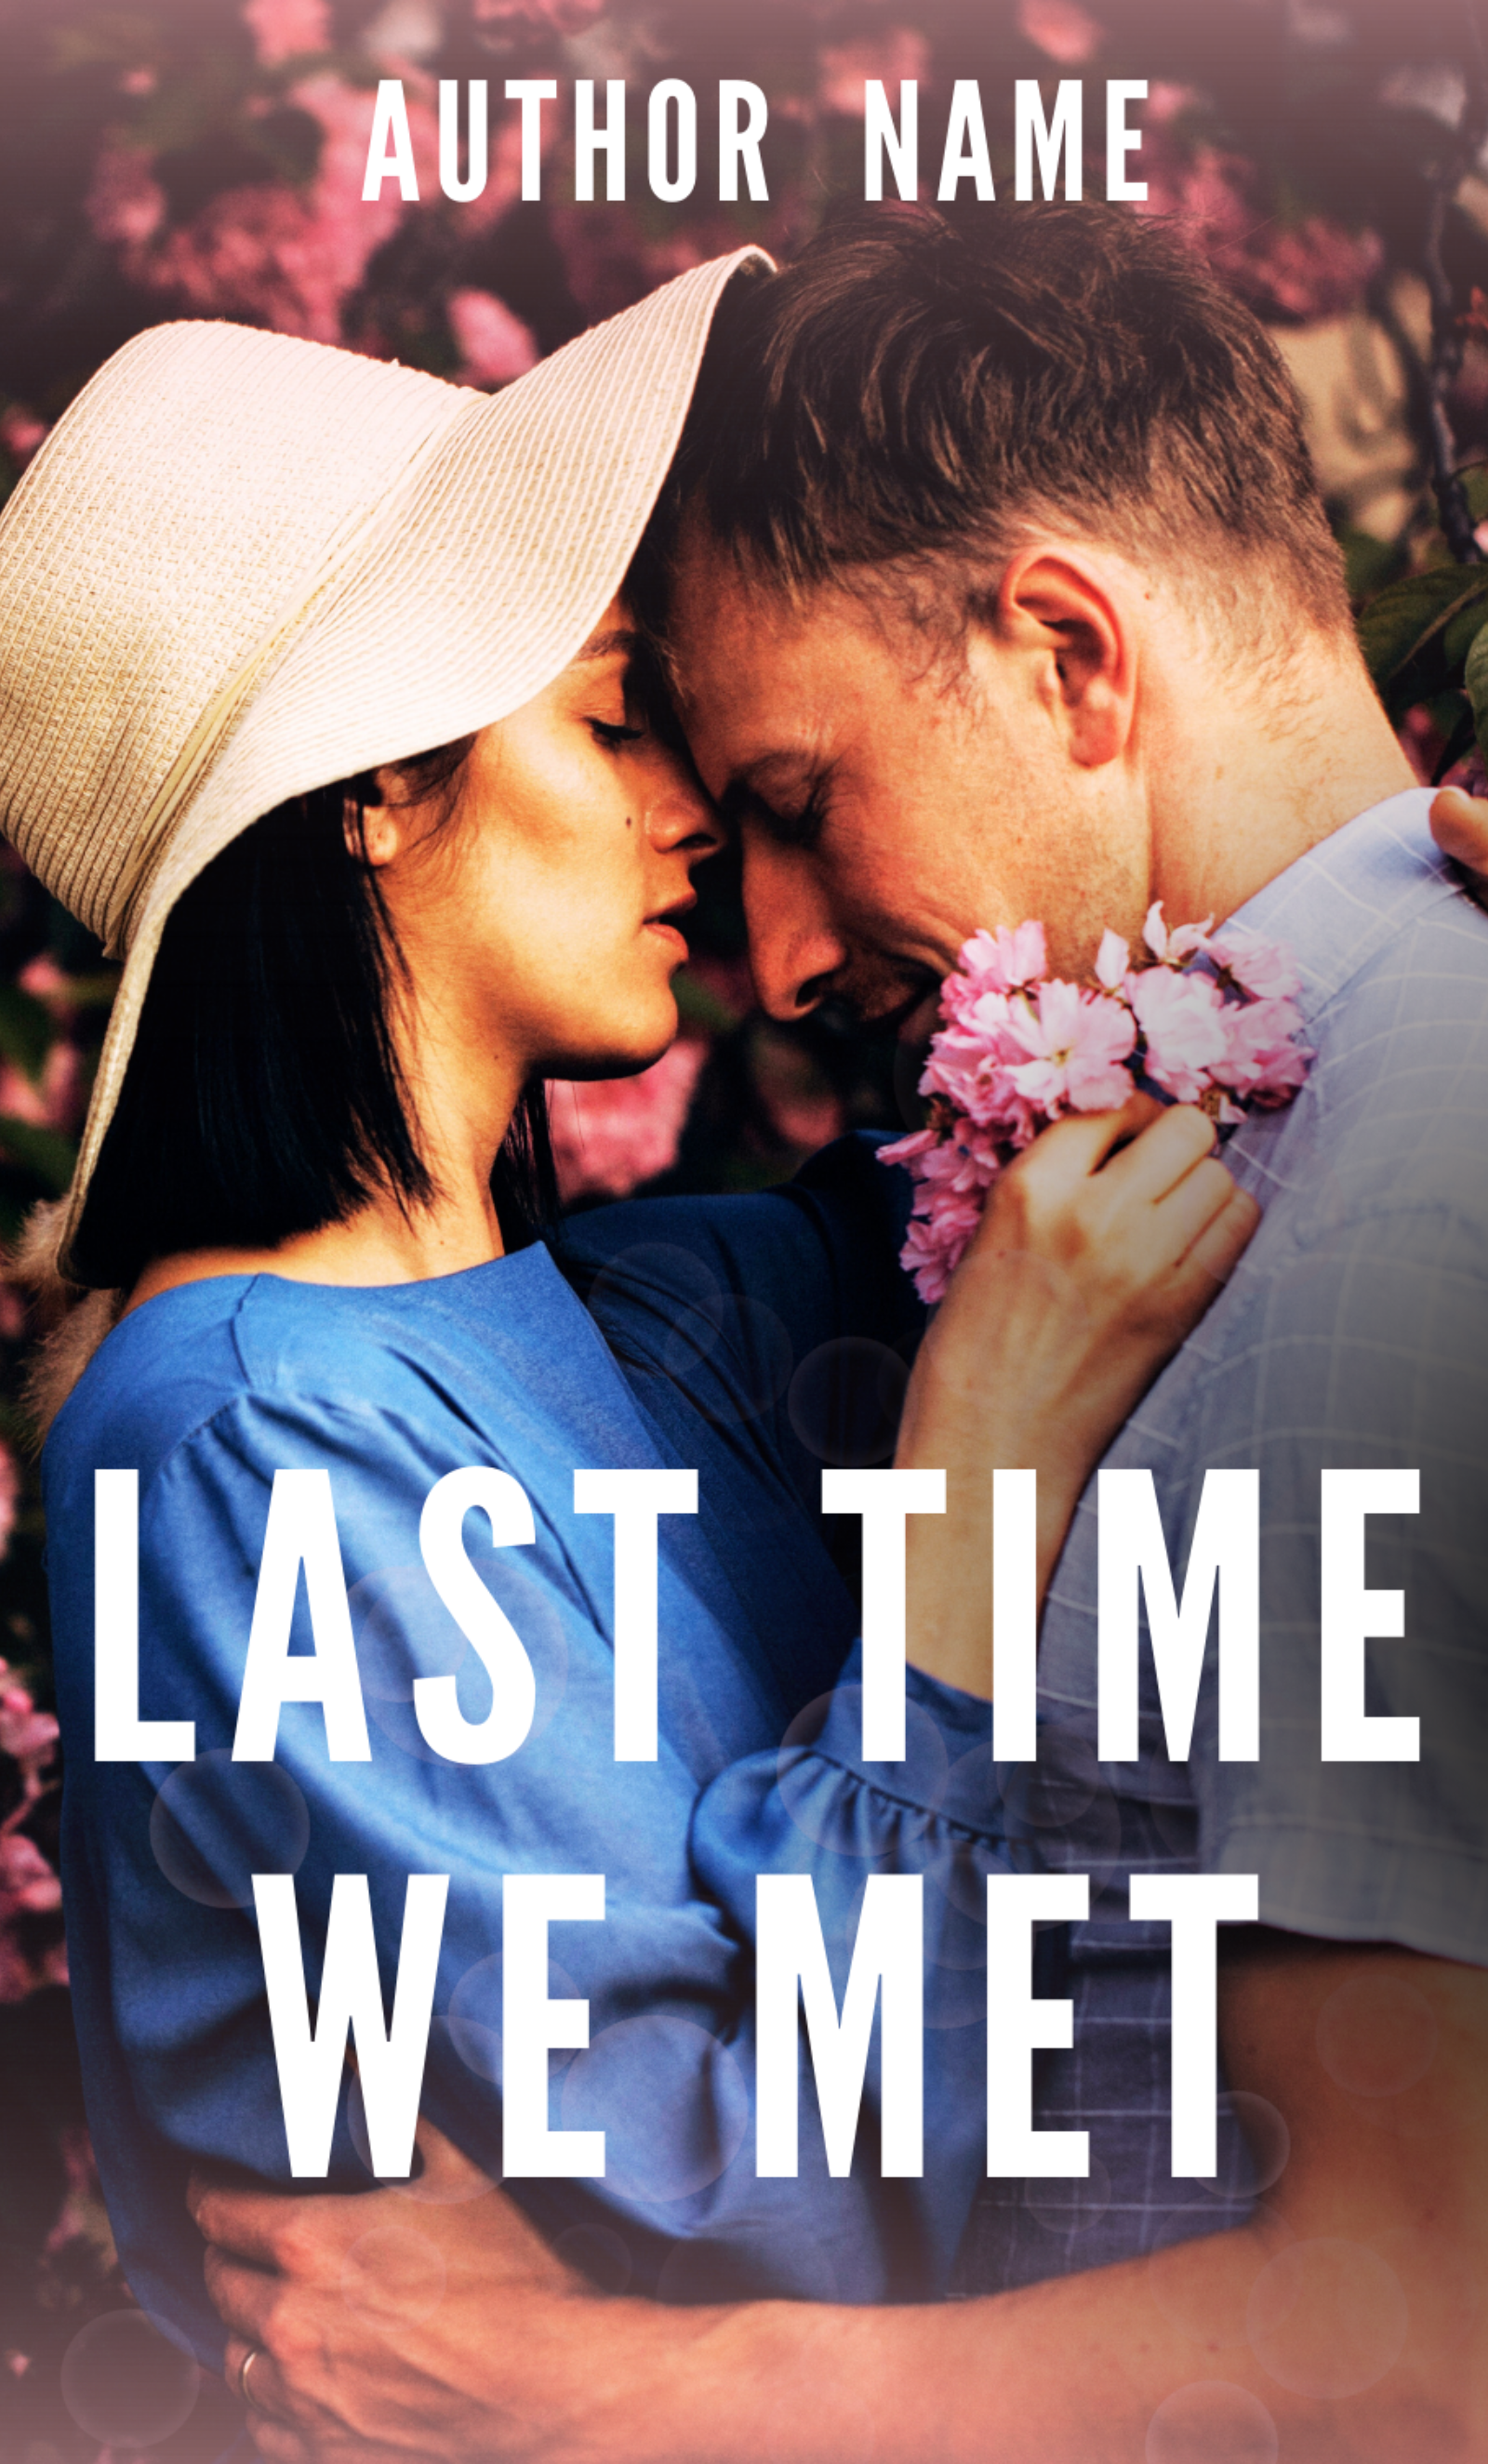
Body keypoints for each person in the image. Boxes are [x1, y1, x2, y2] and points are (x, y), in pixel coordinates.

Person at [196, 207, 1488, 2461]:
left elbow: (1419, 2321)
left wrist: (619, 2389)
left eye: (796, 801)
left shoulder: (1333, 1261)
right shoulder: (1237, 1145)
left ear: (1070, 657)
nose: (771, 960)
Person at [0, 246, 1256, 2399]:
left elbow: (1168, 1182)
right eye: (604, 718)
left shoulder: (681, 1300)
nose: (688, 802)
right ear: (374, 790)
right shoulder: (235, 1443)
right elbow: (772, 2189)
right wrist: (964, 1504)